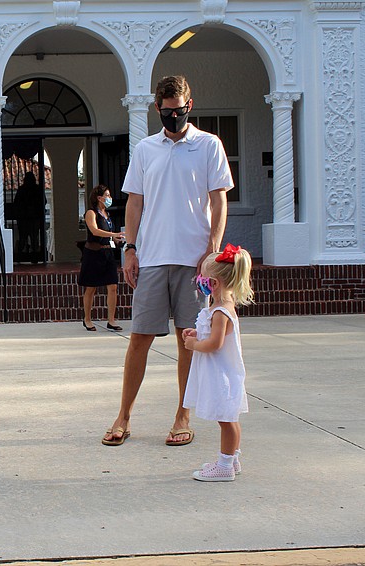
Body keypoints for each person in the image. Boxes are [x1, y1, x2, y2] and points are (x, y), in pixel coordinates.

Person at [102, 75, 232, 447]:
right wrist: (130, 248)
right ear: (157, 109)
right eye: (166, 111)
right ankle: (123, 415)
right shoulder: (145, 149)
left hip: (195, 261)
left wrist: (212, 249)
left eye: (178, 110)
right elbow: (135, 203)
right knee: (139, 338)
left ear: (189, 106)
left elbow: (219, 200)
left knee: (187, 339)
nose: (172, 116)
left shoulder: (209, 145)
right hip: (153, 257)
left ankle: (182, 417)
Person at [182, 244, 253, 481]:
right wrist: (197, 333)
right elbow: (210, 336)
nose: (199, 281)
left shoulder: (221, 311)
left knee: (227, 420)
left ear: (214, 283)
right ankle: (231, 459)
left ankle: (224, 466)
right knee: (228, 419)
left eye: (203, 277)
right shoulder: (218, 308)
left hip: (222, 376)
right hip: (219, 373)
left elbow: (215, 344)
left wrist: (194, 346)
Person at [79, 185, 124, 331]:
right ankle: (87, 319)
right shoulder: (91, 213)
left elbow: (109, 235)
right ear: (99, 198)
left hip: (107, 253)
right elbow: (95, 231)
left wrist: (118, 239)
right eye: (107, 195)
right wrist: (113, 235)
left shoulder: (107, 215)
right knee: (91, 288)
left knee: (113, 286)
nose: (109, 198)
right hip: (93, 253)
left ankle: (111, 320)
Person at [13, 171, 45, 258]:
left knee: (23, 237)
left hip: (24, 217)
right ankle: (35, 255)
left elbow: (16, 203)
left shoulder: (22, 189)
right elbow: (43, 201)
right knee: (34, 237)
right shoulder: (37, 189)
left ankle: (21, 255)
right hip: (33, 217)